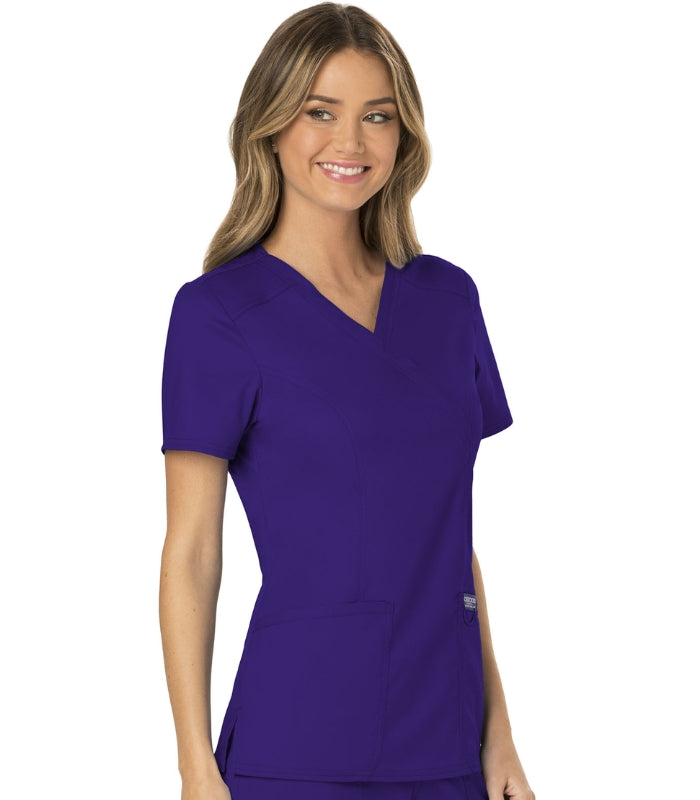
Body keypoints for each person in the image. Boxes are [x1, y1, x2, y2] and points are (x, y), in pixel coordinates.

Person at [159, 4, 536, 800]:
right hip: (299, 740)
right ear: (269, 127)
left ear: (404, 136)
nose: (351, 142)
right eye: (320, 112)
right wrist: (195, 768)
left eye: (377, 116)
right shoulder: (218, 314)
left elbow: (448, 540)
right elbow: (192, 553)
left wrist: (498, 732)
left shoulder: (447, 301)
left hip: (447, 737)